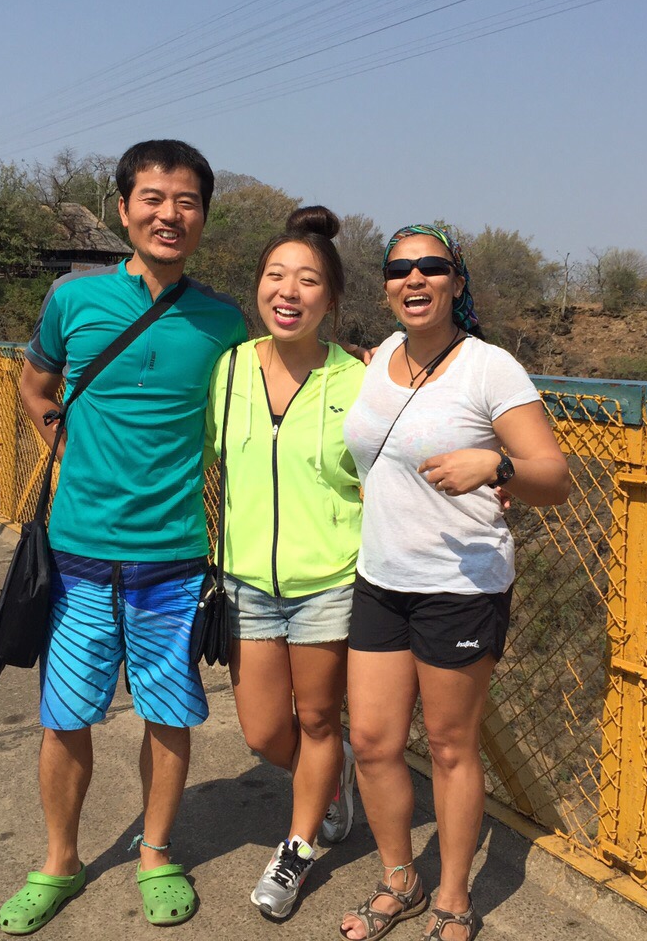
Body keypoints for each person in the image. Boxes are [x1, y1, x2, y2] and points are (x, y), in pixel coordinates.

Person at [0, 139, 246, 934]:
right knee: (65, 714)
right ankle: (59, 861)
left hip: (174, 558)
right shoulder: (73, 299)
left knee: (167, 712)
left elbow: (278, 392)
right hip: (75, 554)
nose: (169, 214)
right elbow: (35, 383)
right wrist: (68, 449)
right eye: (153, 199)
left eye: (186, 202)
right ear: (123, 208)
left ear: (203, 215)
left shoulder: (224, 322)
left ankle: (157, 853)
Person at [339, 224, 572, 941]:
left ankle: (452, 896)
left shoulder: (489, 368)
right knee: (372, 741)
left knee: (448, 746)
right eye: (399, 269)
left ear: (456, 282)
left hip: (460, 585)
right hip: (380, 576)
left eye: (431, 267)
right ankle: (399, 879)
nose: (414, 278)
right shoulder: (377, 358)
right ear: (386, 286)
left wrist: (496, 466)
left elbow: (555, 479)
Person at [204, 206, 365, 921]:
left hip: (329, 580)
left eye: (307, 280)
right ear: (259, 287)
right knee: (266, 732)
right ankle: (331, 776)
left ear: (331, 299)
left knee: (320, 720)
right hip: (244, 580)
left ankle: (296, 848)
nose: (288, 291)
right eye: (275, 276)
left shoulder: (357, 380)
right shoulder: (230, 368)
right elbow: (188, 451)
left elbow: (401, 460)